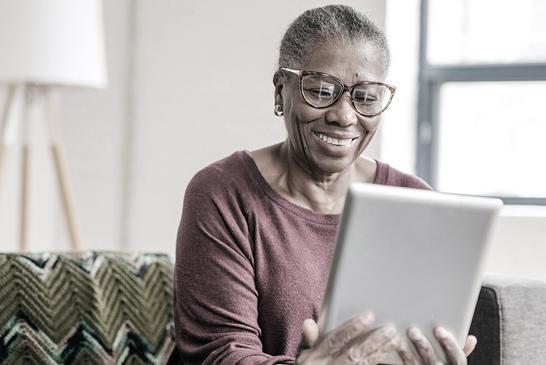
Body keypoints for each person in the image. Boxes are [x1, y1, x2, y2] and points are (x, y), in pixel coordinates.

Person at [173, 5, 476, 365]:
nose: (344, 116)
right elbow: (220, 353)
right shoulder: (223, 193)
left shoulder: (413, 200)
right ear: (279, 91)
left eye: (365, 97)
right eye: (320, 90)